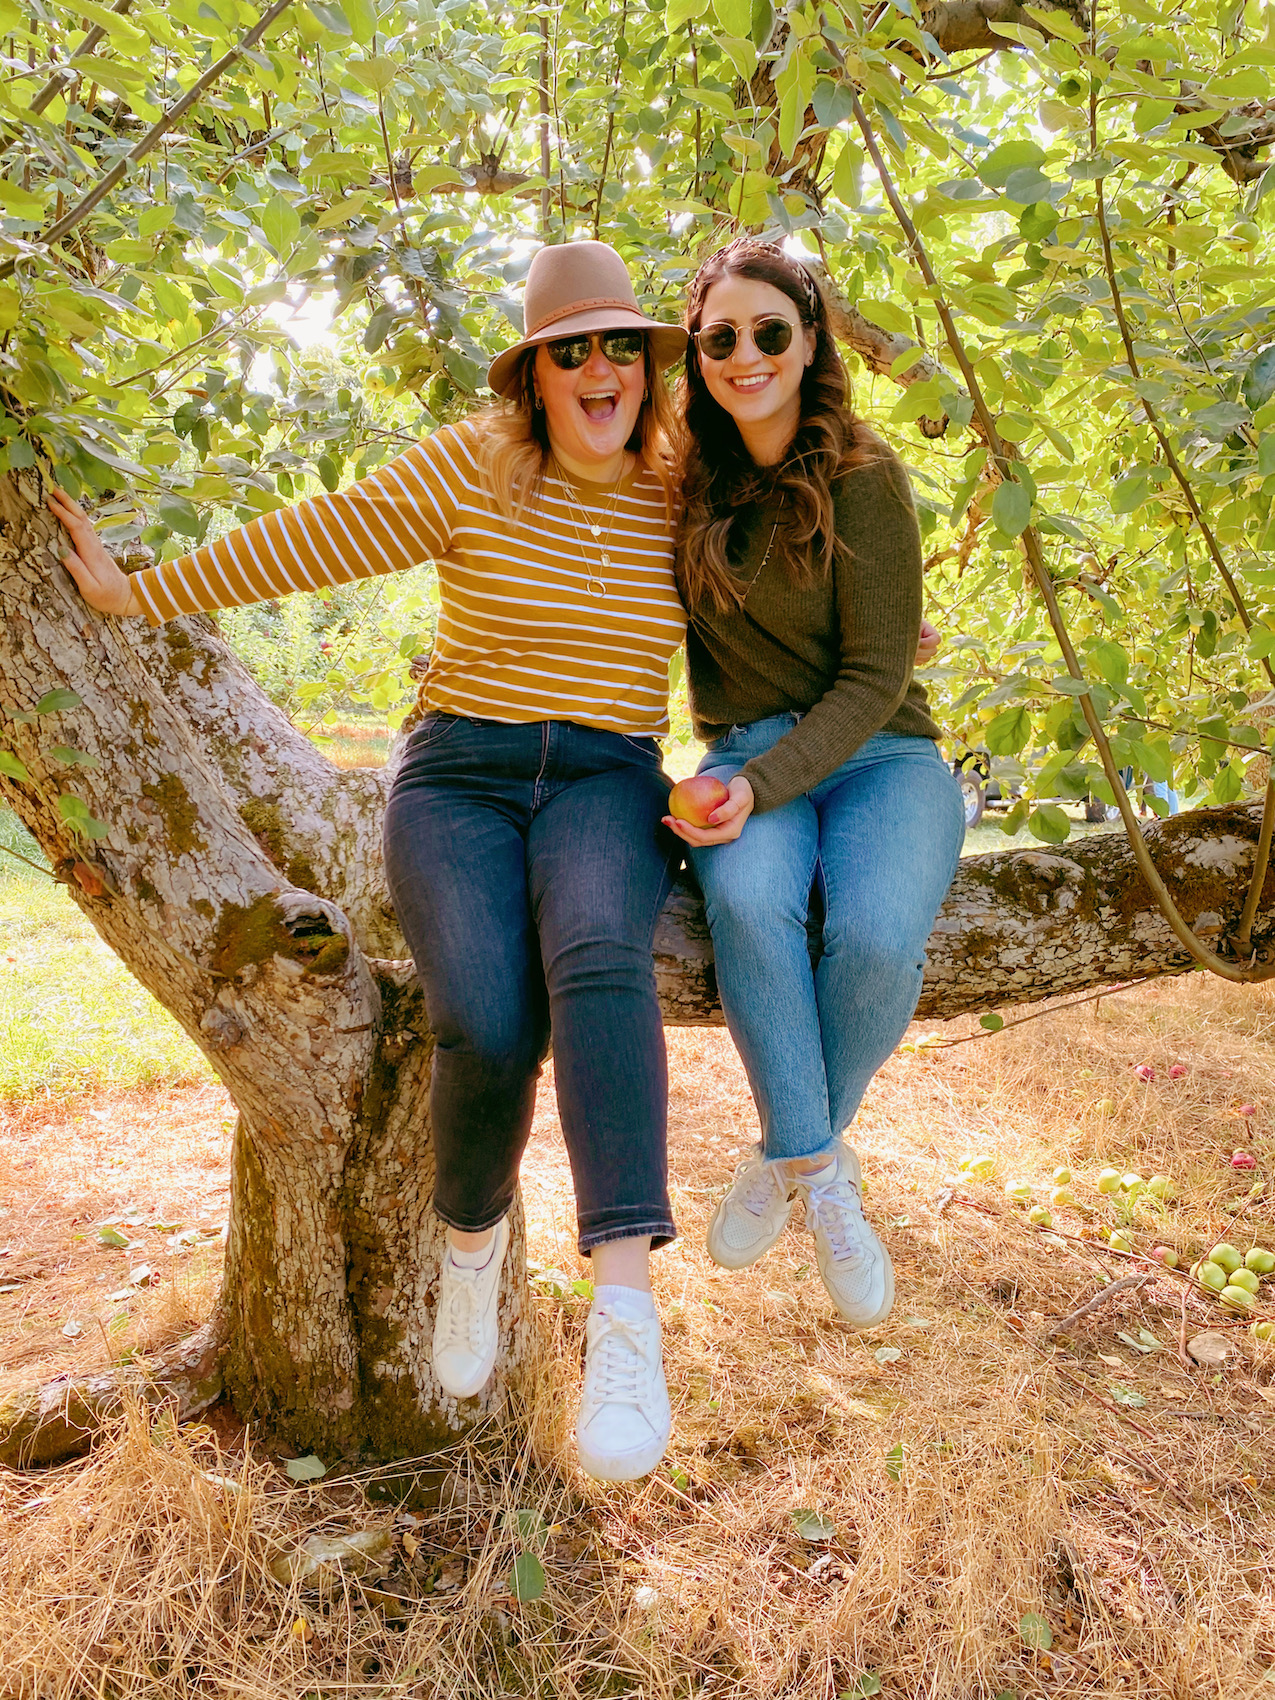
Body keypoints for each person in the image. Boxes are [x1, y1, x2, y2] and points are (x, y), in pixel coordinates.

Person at [47, 240, 690, 1484]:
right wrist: (138, 596)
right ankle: (469, 1244)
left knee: (602, 958)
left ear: (647, 369)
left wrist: (872, 641)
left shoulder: (684, 490)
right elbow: (315, 538)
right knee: (488, 1019)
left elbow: (775, 585)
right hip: (458, 773)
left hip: (610, 778)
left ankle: (625, 1317)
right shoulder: (474, 465)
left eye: (621, 345)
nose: (600, 368)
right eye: (572, 350)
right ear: (535, 377)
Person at [663, 237, 965, 1328]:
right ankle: (821, 1168)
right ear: (697, 356)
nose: (746, 353)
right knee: (747, 901)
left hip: (885, 750)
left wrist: (768, 779)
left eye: (769, 332)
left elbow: (880, 672)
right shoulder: (678, 484)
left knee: (879, 938)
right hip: (742, 748)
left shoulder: (866, 475)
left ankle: (787, 1152)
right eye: (720, 337)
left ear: (809, 343)